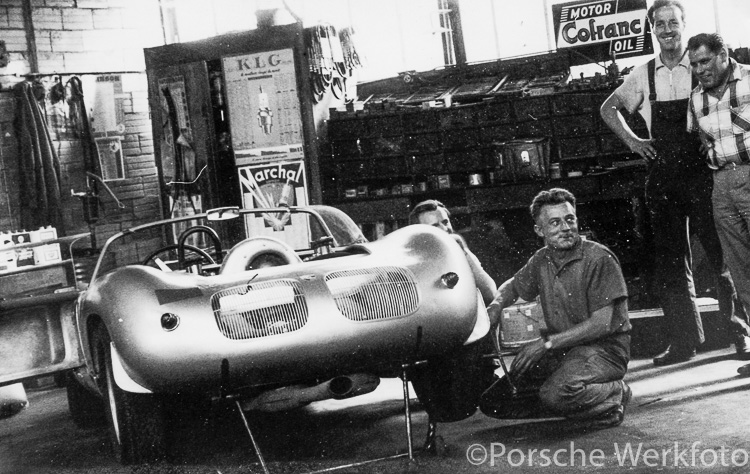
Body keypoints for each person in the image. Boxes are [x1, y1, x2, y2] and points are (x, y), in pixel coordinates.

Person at [600, 0, 750, 366]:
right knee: (670, 261)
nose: (667, 30)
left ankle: (741, 335)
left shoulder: (699, 67)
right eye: (660, 24)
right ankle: (684, 341)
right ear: (653, 30)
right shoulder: (643, 73)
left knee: (722, 258)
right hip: (663, 177)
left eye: (673, 22)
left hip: (703, 175)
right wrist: (635, 143)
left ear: (684, 25)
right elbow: (608, 108)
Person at [481, 188, 631, 428]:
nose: (566, 227)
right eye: (555, 222)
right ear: (540, 230)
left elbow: (601, 324)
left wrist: (545, 344)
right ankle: (577, 403)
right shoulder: (542, 259)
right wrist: (496, 307)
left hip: (604, 351)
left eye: (570, 219)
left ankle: (614, 394)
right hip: (565, 351)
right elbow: (513, 286)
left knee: (554, 394)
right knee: (495, 400)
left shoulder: (599, 258)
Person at [686, 33, 750, 375]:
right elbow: (702, 140)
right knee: (741, 272)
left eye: (705, 61)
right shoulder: (696, 99)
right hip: (721, 184)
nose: (700, 70)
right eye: (694, 64)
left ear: (723, 54)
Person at [408, 199, 496, 305]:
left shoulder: (461, 252)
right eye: (435, 225)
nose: (445, 228)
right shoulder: (413, 264)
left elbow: (490, 295)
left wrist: (464, 253)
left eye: (445, 222)